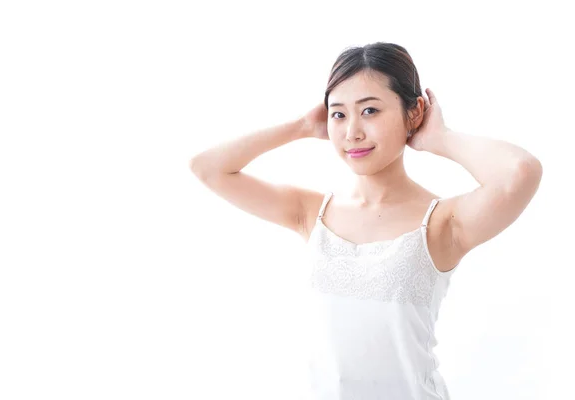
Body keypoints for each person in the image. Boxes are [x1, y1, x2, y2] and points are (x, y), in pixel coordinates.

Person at [188, 42, 543, 399]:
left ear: (414, 111)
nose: (351, 132)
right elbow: (208, 168)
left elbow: (520, 172)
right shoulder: (311, 213)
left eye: (370, 110)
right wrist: (299, 127)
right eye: (338, 114)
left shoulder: (442, 223)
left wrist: (439, 138)